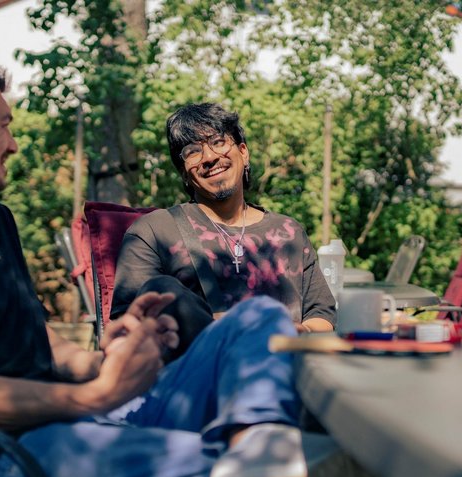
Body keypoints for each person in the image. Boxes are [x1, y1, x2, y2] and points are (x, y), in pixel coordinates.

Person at [0, 54, 380, 477]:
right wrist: (94, 395)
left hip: (74, 419)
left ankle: (263, 439)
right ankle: (282, 456)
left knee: (258, 319)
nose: (14, 142)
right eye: (5, 125)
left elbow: (43, 343)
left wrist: (111, 359)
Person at [111, 102, 335, 357]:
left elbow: (323, 315)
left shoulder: (289, 232)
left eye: (218, 142)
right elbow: (128, 326)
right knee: (165, 290)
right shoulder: (155, 231)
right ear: (184, 173)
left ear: (243, 152)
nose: (209, 157)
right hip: (196, 378)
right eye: (192, 151)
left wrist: (300, 332)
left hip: (288, 369)